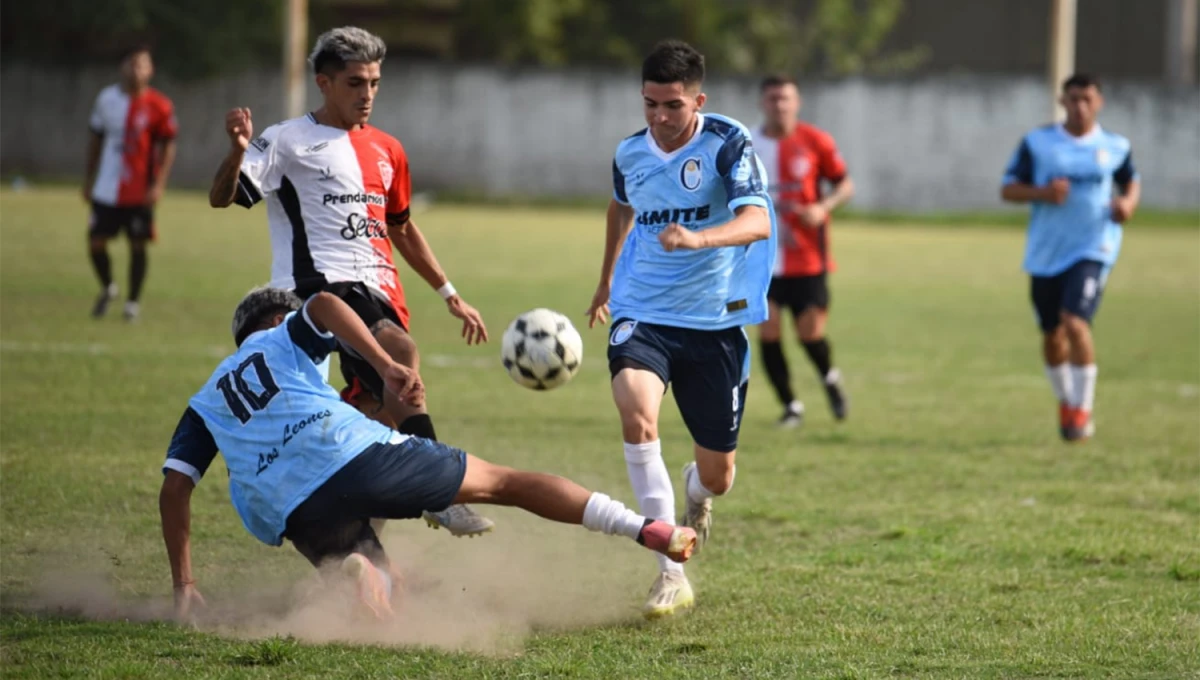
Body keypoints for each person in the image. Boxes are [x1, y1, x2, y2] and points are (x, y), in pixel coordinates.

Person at [159, 288, 697, 621]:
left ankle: (364, 572)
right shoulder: (281, 337)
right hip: (350, 453)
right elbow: (322, 304)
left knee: (373, 582)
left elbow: (175, 487)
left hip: (292, 509)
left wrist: (185, 583)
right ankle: (644, 528)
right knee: (505, 483)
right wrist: (383, 363)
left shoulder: (204, 402)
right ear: (277, 320)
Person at [207, 27, 493, 536]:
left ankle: (359, 556)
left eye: (375, 83)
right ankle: (440, 493)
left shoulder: (388, 149)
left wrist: (450, 294)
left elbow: (401, 227)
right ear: (324, 82)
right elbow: (223, 197)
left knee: (373, 425)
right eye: (355, 83)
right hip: (313, 290)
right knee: (400, 354)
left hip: (377, 292)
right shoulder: (287, 140)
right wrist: (236, 151)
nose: (367, 94)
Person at [585, 40, 775, 619]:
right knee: (637, 412)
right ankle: (670, 569)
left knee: (719, 476)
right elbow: (621, 207)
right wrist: (605, 281)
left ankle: (698, 490)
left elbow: (758, 220)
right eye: (650, 104)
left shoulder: (727, 142)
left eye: (672, 105)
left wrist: (698, 239)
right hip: (642, 311)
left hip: (714, 320)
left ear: (698, 100)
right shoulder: (629, 153)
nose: (660, 118)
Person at [1001, 73, 1140, 442]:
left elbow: (1130, 179)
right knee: (1052, 335)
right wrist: (1043, 193)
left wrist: (1127, 203)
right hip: (1047, 253)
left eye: (1087, 99)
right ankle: (1066, 400)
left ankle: (1082, 409)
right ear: (1062, 101)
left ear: (1099, 103)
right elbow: (1008, 189)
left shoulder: (1115, 146)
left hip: (1094, 246)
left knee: (1075, 322)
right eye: (1073, 99)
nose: (1080, 107)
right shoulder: (1039, 143)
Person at [753, 75, 855, 427]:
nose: (779, 105)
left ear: (797, 103)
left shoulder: (816, 141)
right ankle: (790, 405)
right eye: (772, 98)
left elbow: (845, 184)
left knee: (809, 335)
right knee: (768, 331)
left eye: (785, 98)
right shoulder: (747, 145)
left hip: (808, 258)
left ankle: (829, 378)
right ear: (762, 103)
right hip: (762, 258)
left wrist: (822, 208)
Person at [83, 44, 177, 321]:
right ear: (122, 67)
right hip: (106, 188)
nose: (136, 70)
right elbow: (95, 141)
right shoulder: (106, 99)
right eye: (132, 63)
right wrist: (88, 179)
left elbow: (168, 146)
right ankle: (108, 286)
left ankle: (132, 302)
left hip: (139, 190)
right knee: (95, 243)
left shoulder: (160, 105)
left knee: (138, 244)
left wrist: (158, 184)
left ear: (151, 70)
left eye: (142, 64)